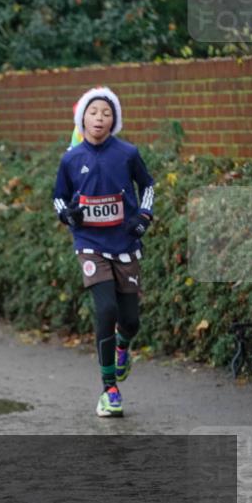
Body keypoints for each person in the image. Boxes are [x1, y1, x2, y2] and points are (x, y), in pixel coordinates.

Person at [53, 87, 155, 418]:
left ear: (115, 120)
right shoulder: (71, 158)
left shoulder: (127, 153)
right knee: (106, 309)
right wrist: (66, 214)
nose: (99, 118)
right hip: (90, 245)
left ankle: (123, 346)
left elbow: (149, 186)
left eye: (106, 113)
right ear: (82, 118)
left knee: (130, 320)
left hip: (125, 244)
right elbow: (58, 196)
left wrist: (143, 216)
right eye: (93, 112)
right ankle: (109, 388)